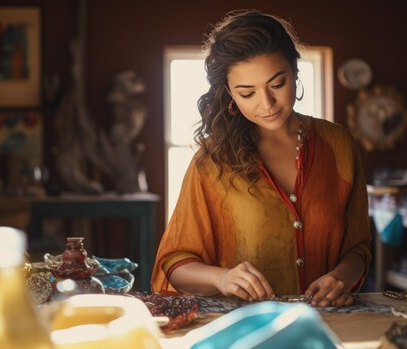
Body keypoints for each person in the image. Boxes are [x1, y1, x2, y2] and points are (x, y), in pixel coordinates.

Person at [151, 10, 371, 308]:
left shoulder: (339, 145)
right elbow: (175, 263)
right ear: (229, 93)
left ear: (295, 70)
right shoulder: (212, 160)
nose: (266, 104)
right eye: (247, 93)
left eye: (277, 85)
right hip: (246, 330)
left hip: (330, 326)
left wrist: (342, 278)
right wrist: (222, 278)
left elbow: (358, 247)